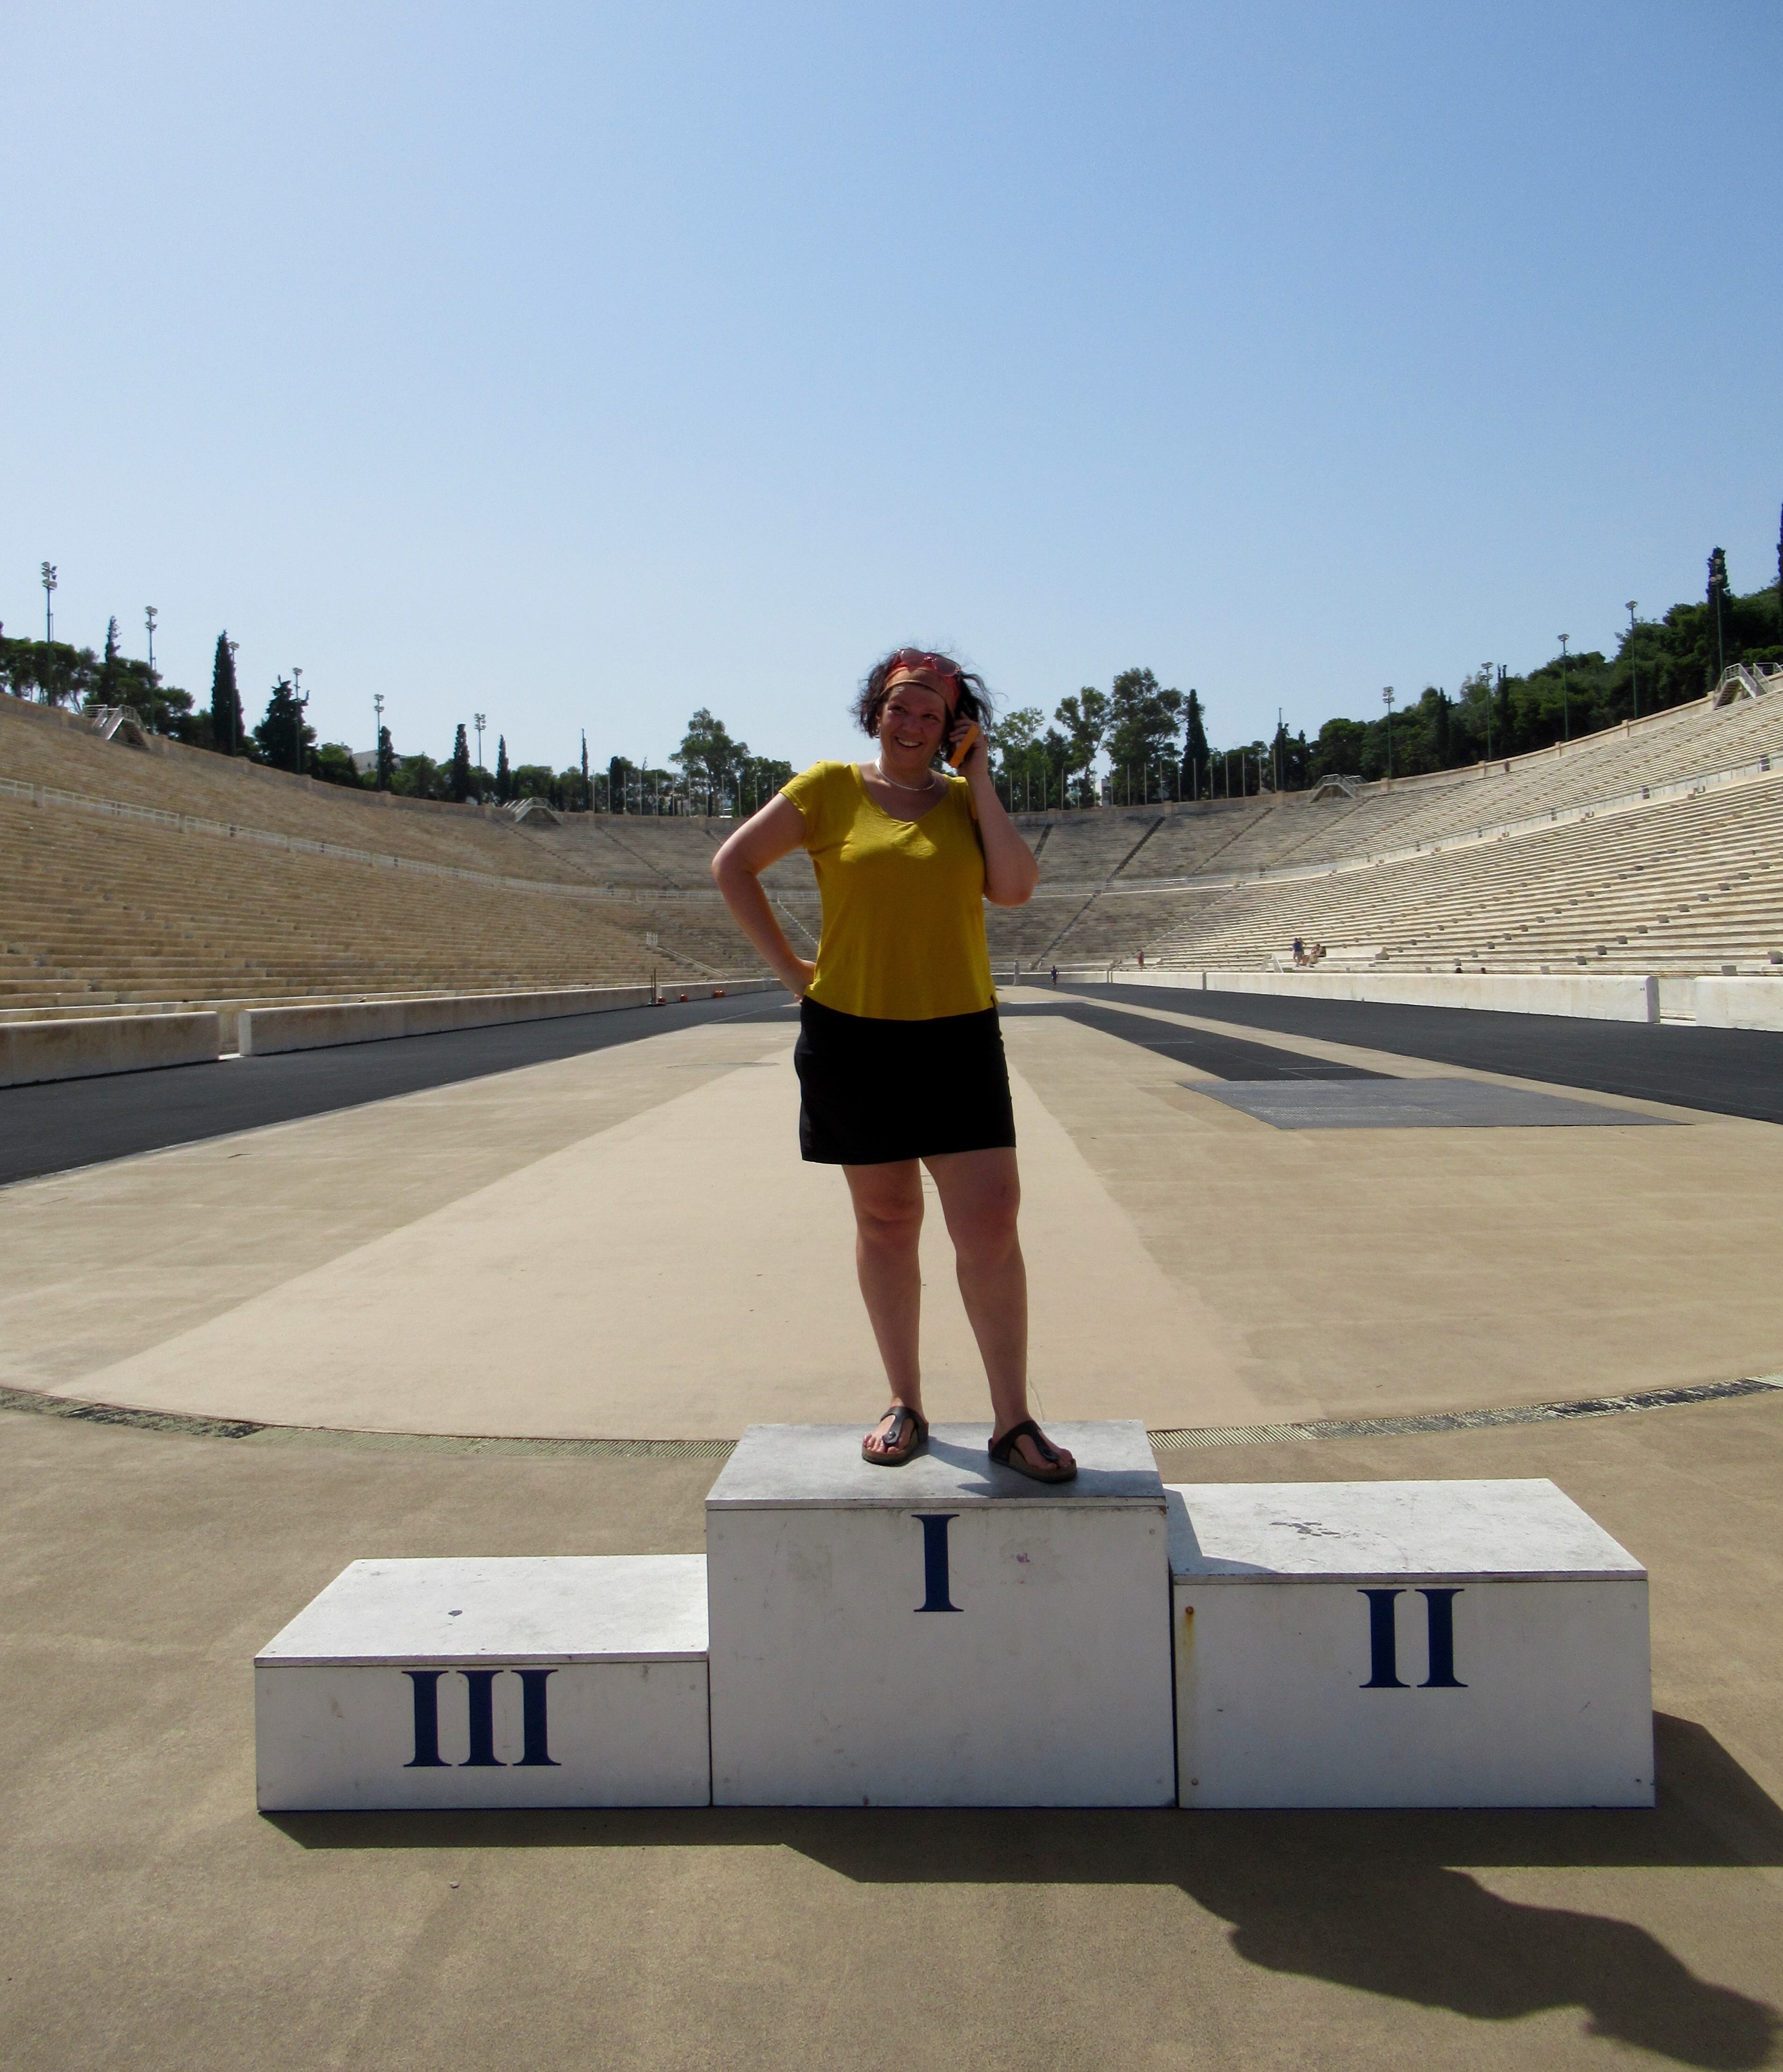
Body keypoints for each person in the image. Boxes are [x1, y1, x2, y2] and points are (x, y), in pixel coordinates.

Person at [711, 647, 1076, 1483]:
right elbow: (734, 864)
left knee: (991, 1221)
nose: (911, 724)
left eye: (931, 714)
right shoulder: (828, 789)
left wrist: (978, 776)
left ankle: (1012, 1419)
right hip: (853, 1036)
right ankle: (904, 1401)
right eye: (900, 707)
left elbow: (1014, 889)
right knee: (886, 1220)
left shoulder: (965, 802)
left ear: (953, 728)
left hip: (956, 1036)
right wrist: (791, 971)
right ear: (875, 711)